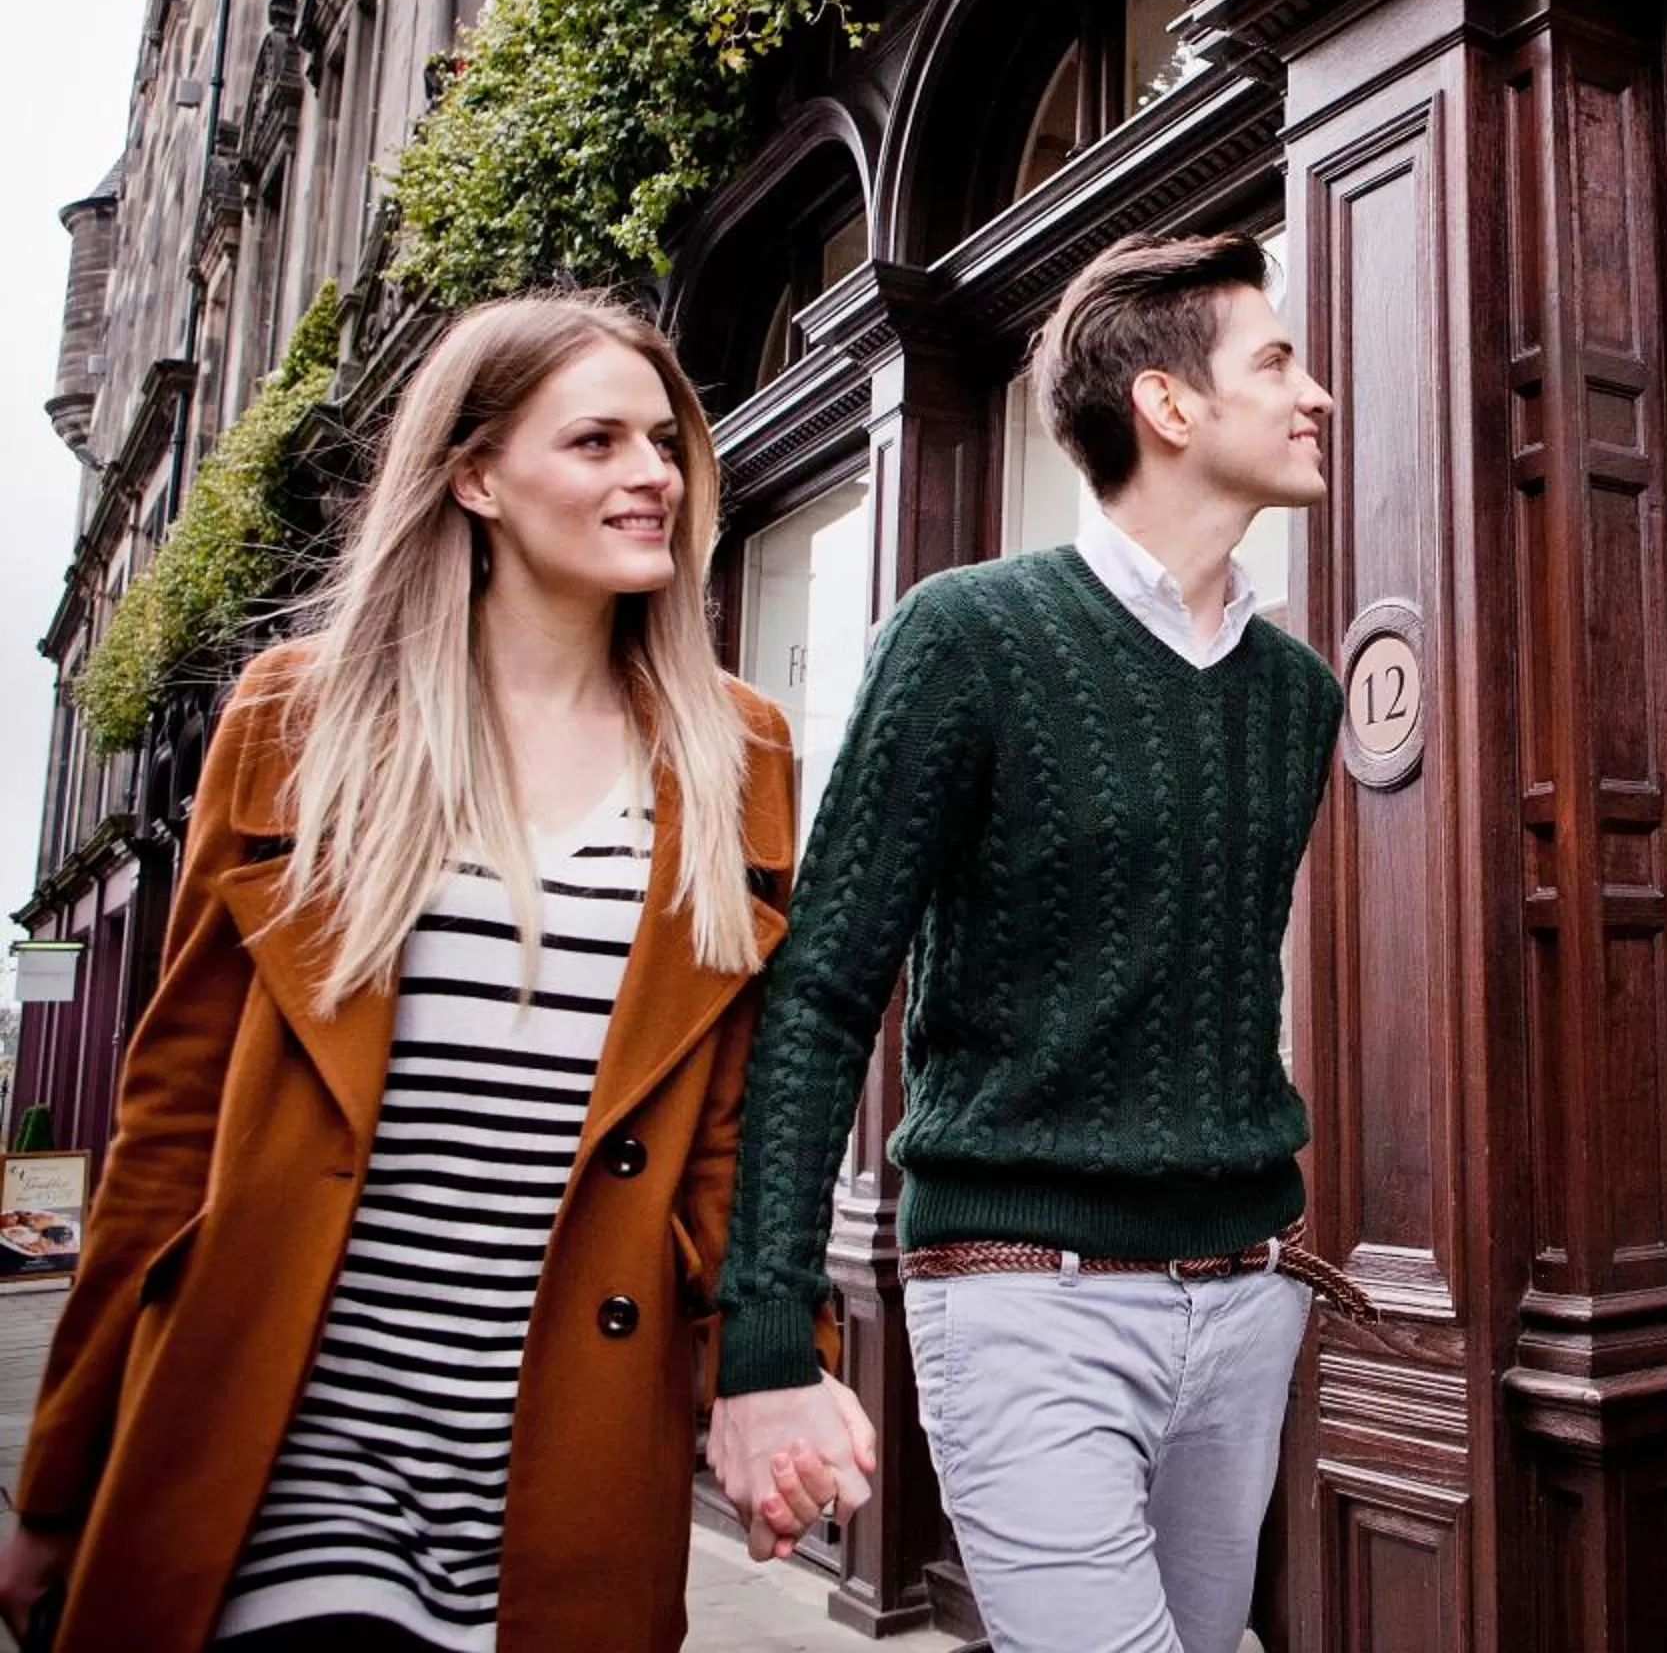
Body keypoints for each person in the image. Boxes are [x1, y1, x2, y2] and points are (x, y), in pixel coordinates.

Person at [0, 295, 855, 1653]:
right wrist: (59, 1478)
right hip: (284, 1457)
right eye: (596, 441)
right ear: (475, 478)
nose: (655, 474)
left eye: (664, 442)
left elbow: (735, 1131)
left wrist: (770, 1370)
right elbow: (172, 1121)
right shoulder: (303, 717)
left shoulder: (732, 749)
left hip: (566, 1456)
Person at [706, 230, 1367, 1652]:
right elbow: (822, 992)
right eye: (1276, 362)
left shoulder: (1296, 695)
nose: (1315, 393)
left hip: (1248, 1297)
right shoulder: (968, 637)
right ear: (1167, 404)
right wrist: (766, 1328)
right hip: (1025, 1298)